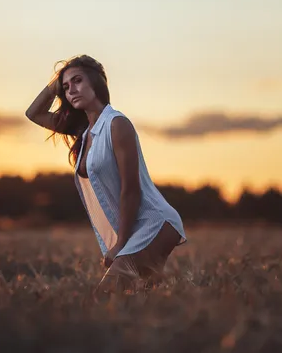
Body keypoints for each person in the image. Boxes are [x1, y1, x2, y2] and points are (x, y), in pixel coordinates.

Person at [25, 54, 187, 293]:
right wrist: (56, 83)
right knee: (146, 296)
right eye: (67, 87)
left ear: (96, 82)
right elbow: (34, 113)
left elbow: (130, 190)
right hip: (136, 229)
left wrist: (121, 244)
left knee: (105, 296)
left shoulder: (117, 124)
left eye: (78, 81)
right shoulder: (84, 131)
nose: (71, 90)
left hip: (155, 223)